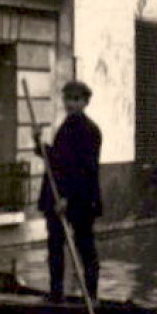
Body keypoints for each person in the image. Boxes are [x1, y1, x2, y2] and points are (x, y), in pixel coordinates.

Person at [34, 79, 103, 301]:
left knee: (85, 248)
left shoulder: (90, 131)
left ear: (85, 102)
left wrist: (67, 198)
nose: (70, 104)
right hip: (55, 197)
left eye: (75, 99)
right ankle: (56, 294)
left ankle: (91, 296)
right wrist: (38, 143)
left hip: (80, 199)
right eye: (67, 99)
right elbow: (56, 159)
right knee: (55, 246)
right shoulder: (65, 127)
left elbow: (84, 170)